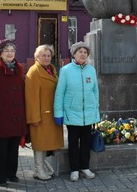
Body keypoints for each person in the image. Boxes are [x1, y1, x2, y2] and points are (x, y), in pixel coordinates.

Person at [0, 39, 28, 187]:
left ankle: (11, 173)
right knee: (0, 148)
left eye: (12, 50)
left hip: (16, 115)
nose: (10, 53)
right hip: (1, 115)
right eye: (6, 50)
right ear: (0, 53)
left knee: (13, 147)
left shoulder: (18, 68)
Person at [54, 42, 101, 182]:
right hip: (72, 113)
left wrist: (95, 110)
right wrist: (58, 113)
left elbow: (95, 91)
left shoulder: (91, 70)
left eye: (85, 52)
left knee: (86, 143)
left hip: (88, 114)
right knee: (73, 143)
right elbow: (59, 93)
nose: (82, 54)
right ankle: (74, 169)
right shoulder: (66, 70)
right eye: (79, 51)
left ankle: (84, 167)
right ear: (73, 54)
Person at [25, 45, 64, 181]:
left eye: (48, 55)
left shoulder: (50, 70)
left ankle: (44, 167)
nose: (46, 58)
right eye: (43, 55)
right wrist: (33, 117)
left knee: (46, 143)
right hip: (40, 115)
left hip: (50, 114)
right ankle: (38, 170)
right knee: (39, 144)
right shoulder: (34, 71)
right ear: (37, 57)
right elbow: (31, 97)